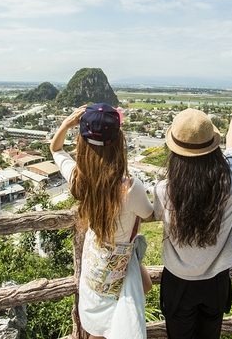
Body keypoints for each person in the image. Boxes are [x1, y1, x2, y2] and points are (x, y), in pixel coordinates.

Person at [50, 103, 154, 339]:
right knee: (138, 290)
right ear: (119, 142)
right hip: (118, 263)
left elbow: (55, 149)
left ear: (82, 143)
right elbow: (148, 214)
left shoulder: (79, 178)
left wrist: (67, 123)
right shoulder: (130, 188)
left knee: (98, 319)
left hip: (94, 260)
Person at [153, 91, 232, 339]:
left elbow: (152, 214)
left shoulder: (165, 190)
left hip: (178, 283)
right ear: (212, 145)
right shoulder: (230, 180)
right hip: (216, 281)